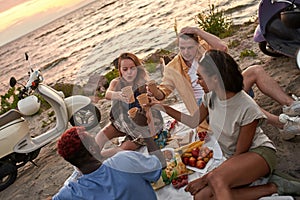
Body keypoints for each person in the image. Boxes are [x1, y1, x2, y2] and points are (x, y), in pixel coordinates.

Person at [148, 50, 300, 199]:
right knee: (201, 197)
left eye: (200, 78)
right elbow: (192, 121)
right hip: (234, 158)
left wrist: (207, 177)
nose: (196, 82)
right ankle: (273, 187)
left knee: (215, 181)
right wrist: (163, 107)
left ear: (215, 79)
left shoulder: (247, 108)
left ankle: (267, 183)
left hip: (258, 154)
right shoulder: (210, 97)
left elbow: (241, 152)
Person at [148, 26, 300, 134]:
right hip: (205, 108)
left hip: (224, 89)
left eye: (190, 47)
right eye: (182, 48)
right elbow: (162, 94)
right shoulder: (173, 68)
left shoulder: (204, 49)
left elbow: (222, 48)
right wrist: (153, 89)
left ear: (197, 43)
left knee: (255, 70)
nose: (186, 52)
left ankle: (291, 105)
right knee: (236, 98)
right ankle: (282, 124)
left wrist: (197, 31)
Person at [50, 126, 166, 200]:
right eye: (93, 139)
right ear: (91, 148)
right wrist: (144, 131)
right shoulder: (124, 161)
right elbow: (160, 164)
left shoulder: (72, 193)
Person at [95, 52, 163, 158]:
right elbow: (108, 94)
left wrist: (150, 96)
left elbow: (153, 103)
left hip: (140, 123)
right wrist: (119, 95)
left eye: (132, 68)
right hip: (122, 122)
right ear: (120, 71)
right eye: (125, 69)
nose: (129, 72)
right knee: (101, 135)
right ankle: (90, 157)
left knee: (125, 147)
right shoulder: (116, 82)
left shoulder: (142, 83)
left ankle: (98, 157)